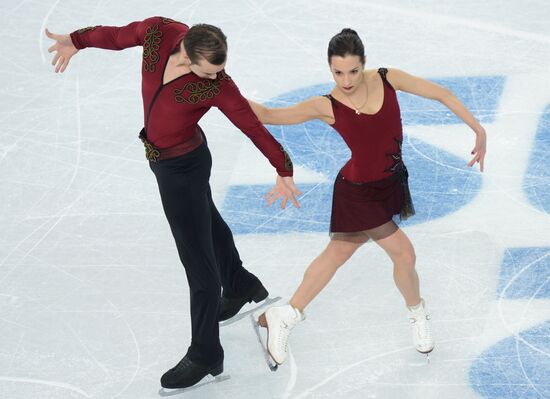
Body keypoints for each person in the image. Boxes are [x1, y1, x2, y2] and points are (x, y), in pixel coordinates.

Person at [45, 17, 301, 389]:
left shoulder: (218, 86)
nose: (217, 79)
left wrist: (284, 168)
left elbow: (250, 124)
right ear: (186, 55)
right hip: (168, 163)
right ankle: (241, 283)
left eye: (220, 71)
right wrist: (76, 41)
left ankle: (205, 353)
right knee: (207, 222)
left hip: (183, 167)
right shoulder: (157, 33)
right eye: (210, 72)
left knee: (197, 263)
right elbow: (116, 36)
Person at [249, 28, 487, 366]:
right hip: (357, 193)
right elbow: (269, 115)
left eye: (353, 71)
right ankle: (418, 316)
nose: (346, 80)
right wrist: (219, 88)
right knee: (404, 253)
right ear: (330, 70)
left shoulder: (389, 80)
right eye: (338, 72)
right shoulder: (326, 106)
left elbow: (442, 93)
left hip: (388, 185)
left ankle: (282, 314)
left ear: (364, 65)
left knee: (337, 254)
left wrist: (478, 128)